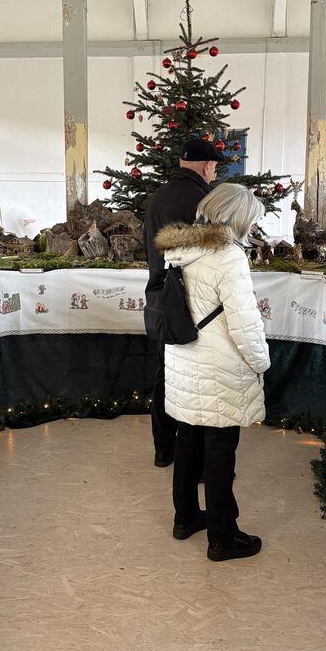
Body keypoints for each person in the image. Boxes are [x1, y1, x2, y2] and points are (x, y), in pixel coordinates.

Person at [155, 183, 271, 562]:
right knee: (220, 450)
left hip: (184, 359)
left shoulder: (180, 248)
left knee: (188, 439)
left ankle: (185, 517)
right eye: (251, 219)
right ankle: (223, 537)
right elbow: (244, 323)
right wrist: (261, 362)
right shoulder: (228, 256)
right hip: (219, 364)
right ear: (238, 217)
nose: (252, 226)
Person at [143, 138, 226, 467]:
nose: (214, 172)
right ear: (207, 167)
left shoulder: (156, 197)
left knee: (165, 375)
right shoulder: (206, 200)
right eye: (214, 167)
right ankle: (198, 463)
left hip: (160, 297)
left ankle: (163, 451)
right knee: (199, 382)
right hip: (196, 303)